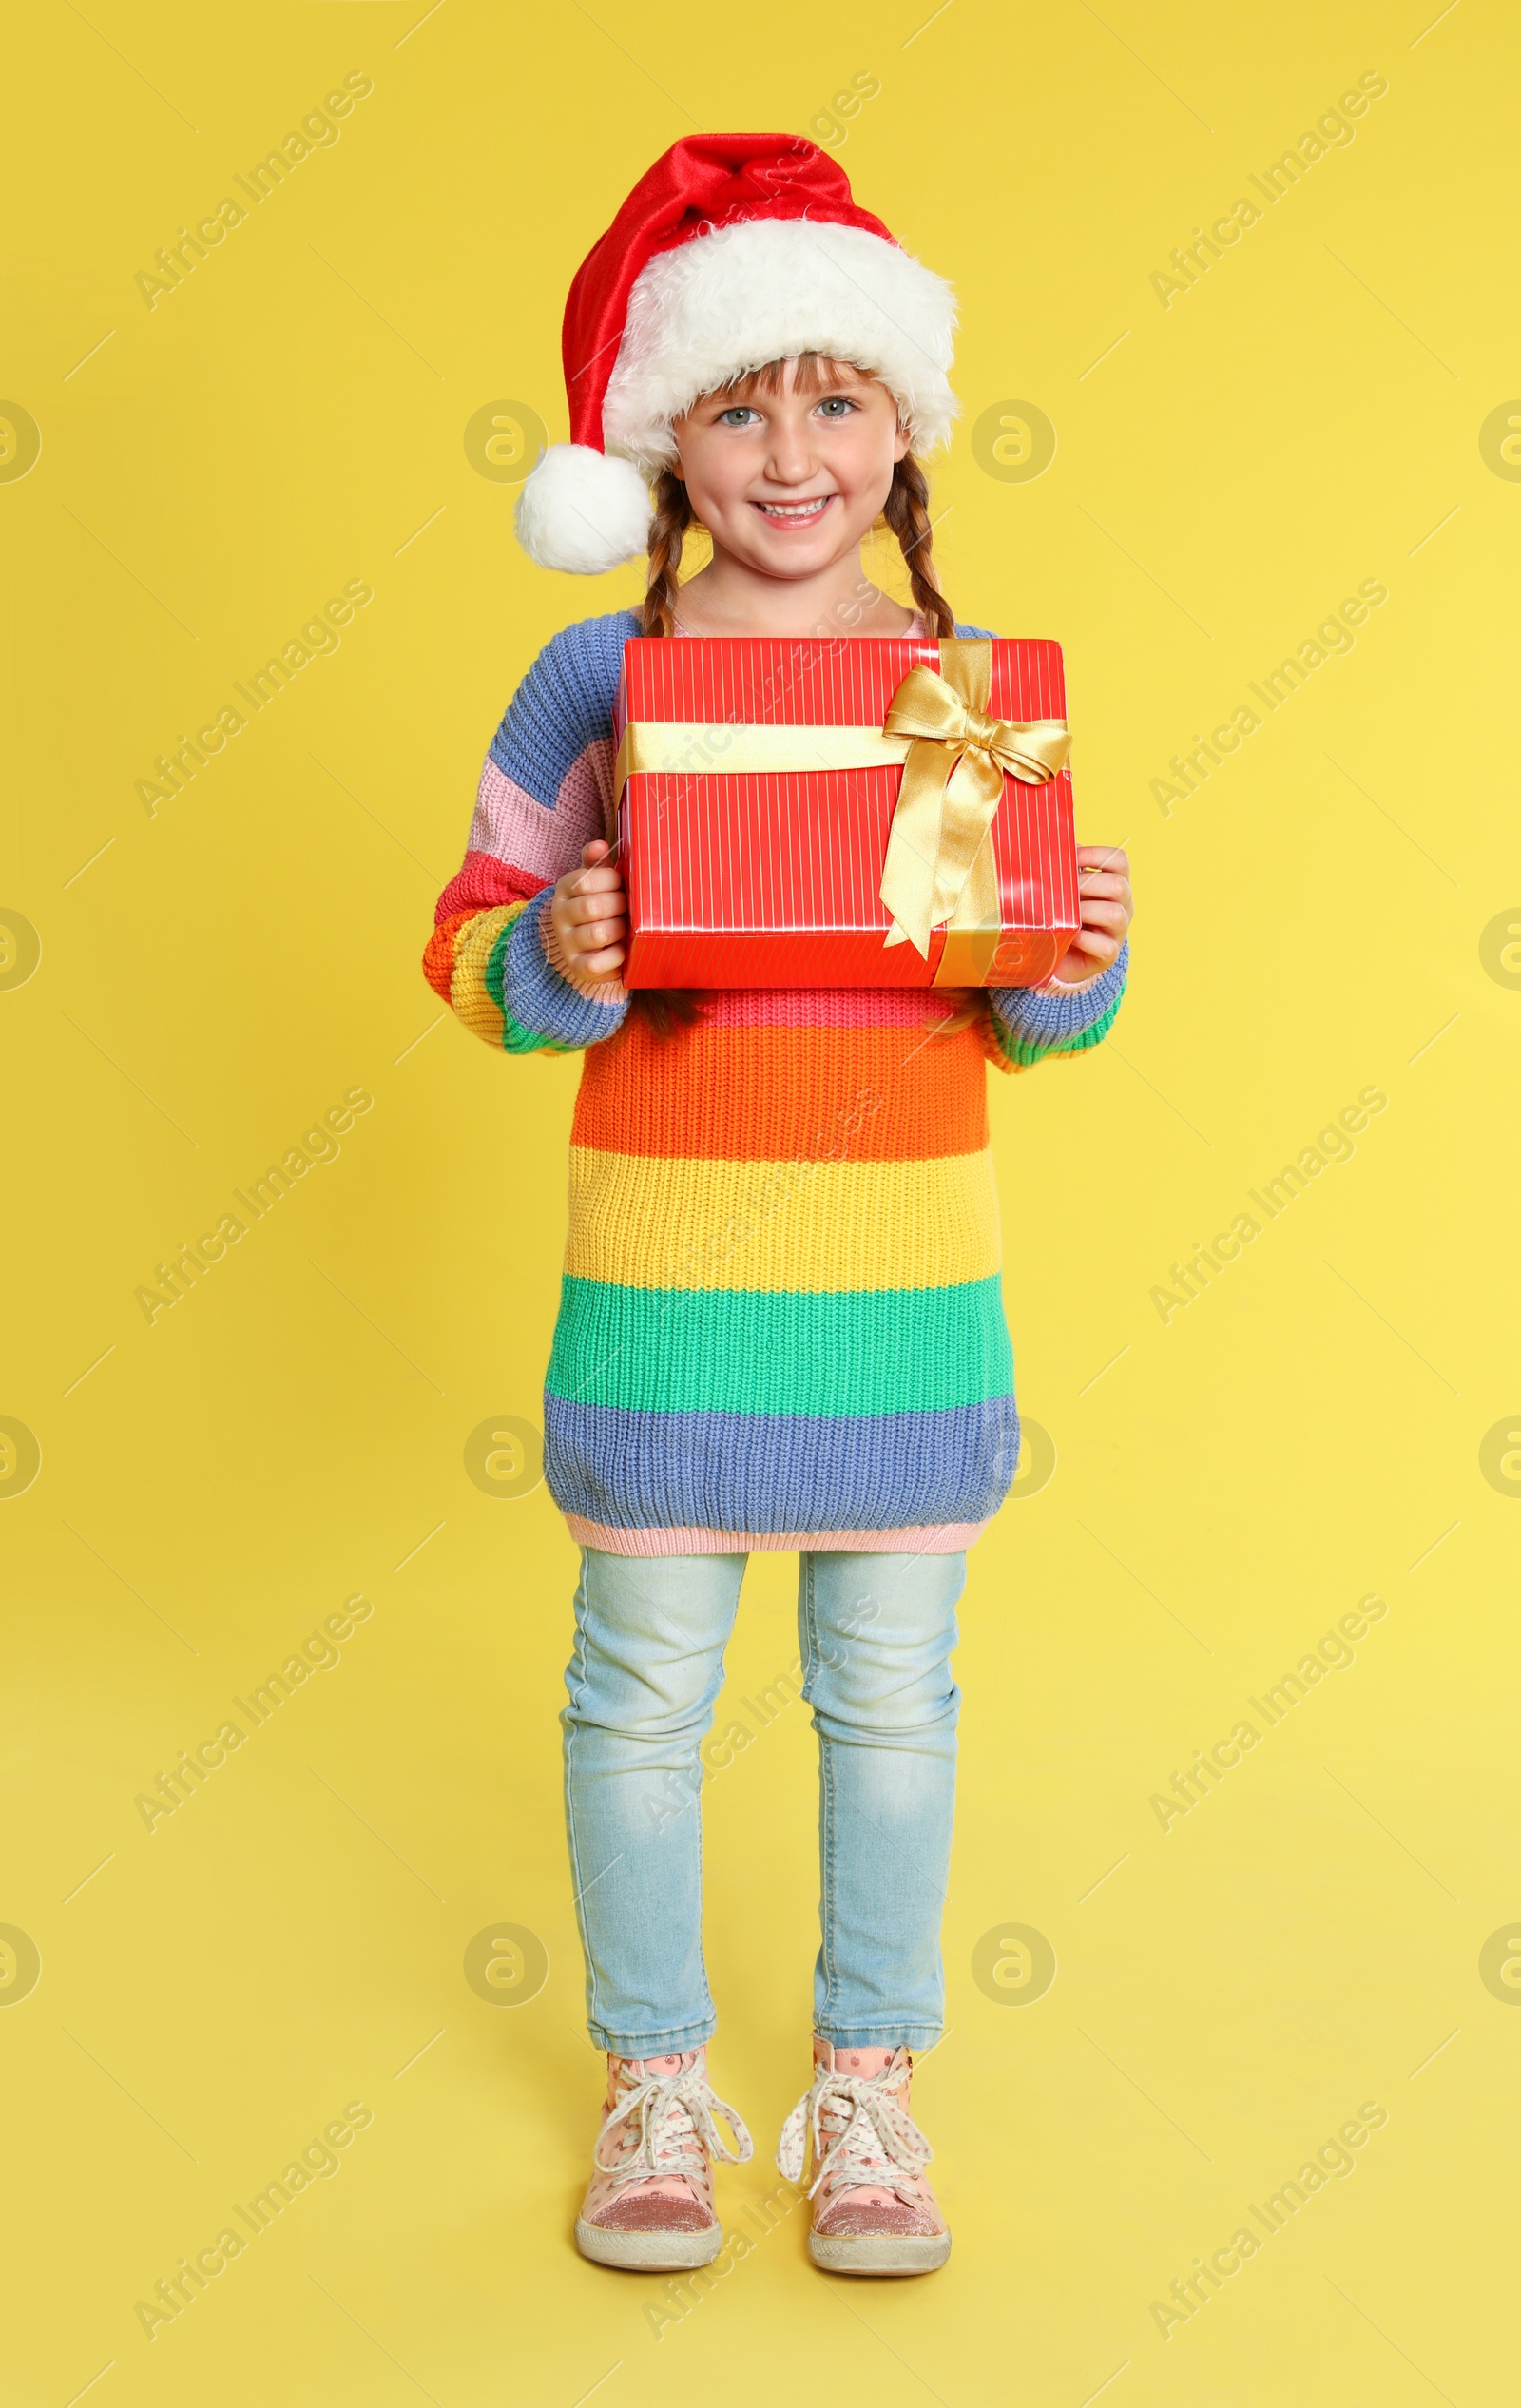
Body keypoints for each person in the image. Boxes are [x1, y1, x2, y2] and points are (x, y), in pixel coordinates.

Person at [423, 134, 1133, 2279]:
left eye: (832, 395)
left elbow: (1033, 1018)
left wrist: (1075, 958)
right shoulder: (593, 689)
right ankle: (655, 2077)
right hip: (666, 1289)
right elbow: (460, 948)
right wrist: (563, 947)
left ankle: (866, 2097)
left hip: (904, 1294)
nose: (789, 448)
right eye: (737, 400)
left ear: (900, 425)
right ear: (662, 438)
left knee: (890, 1700)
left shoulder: (964, 689)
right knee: (638, 1686)